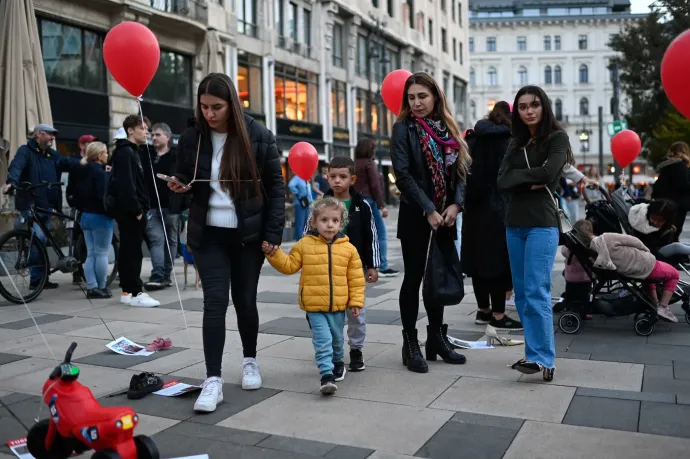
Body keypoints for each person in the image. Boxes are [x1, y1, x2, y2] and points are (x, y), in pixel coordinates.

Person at [167, 73, 285, 413]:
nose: (209, 114)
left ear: (231, 103)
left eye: (216, 107)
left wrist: (272, 235)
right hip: (209, 234)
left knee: (245, 301)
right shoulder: (192, 137)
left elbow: (276, 189)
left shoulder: (258, 136)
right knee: (214, 303)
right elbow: (182, 176)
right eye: (203, 107)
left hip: (247, 236)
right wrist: (178, 187)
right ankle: (212, 379)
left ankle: (250, 360)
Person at [391, 72, 471, 373]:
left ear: (435, 96)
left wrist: (455, 204)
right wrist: (428, 209)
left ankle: (436, 337)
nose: (417, 103)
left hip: (445, 215)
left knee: (437, 276)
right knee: (413, 278)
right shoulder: (403, 128)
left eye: (422, 96)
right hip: (416, 213)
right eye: (411, 98)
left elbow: (462, 170)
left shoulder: (449, 129)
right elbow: (403, 174)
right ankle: (410, 343)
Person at [497, 85, 572, 381]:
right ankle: (533, 354)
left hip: (542, 221)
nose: (529, 110)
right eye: (523, 106)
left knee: (537, 290)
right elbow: (502, 181)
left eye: (534, 105)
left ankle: (543, 358)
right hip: (514, 223)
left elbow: (548, 173)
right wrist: (528, 177)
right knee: (521, 295)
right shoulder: (515, 143)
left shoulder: (557, 138)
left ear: (544, 108)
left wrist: (523, 177)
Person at [265, 197, 365, 394]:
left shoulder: (349, 249)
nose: (330, 225)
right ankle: (326, 375)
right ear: (313, 222)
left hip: (338, 306)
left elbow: (356, 278)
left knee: (337, 339)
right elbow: (289, 265)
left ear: (341, 223)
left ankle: (338, 362)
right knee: (322, 340)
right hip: (313, 306)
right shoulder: (304, 245)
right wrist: (274, 254)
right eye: (324, 220)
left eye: (335, 221)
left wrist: (355, 302)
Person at [303, 156, 379, 372]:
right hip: (325, 270)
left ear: (352, 179)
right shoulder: (319, 205)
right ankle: (331, 350)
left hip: (353, 271)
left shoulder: (361, 205)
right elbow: (306, 234)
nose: (337, 181)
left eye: (342, 177)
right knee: (326, 312)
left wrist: (372, 264)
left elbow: (371, 235)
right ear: (327, 177)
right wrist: (304, 257)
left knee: (356, 314)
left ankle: (356, 349)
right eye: (332, 176)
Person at [462, 102, 522, 331]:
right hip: (500, 208)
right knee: (498, 263)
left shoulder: (473, 138)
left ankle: (483, 310)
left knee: (478, 262)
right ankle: (498, 315)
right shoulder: (509, 141)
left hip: (474, 208)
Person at [4, 124, 79, 289]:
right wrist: (11, 182)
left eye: (54, 135)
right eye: (50, 134)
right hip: (30, 204)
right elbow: (16, 167)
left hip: (47, 206)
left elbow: (67, 162)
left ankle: (42, 278)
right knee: (38, 238)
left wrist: (86, 161)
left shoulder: (51, 154)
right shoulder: (25, 151)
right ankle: (36, 280)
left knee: (41, 240)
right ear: (38, 135)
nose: (53, 138)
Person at [576, 219, 679, 323]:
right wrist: (647, 251)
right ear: (590, 230)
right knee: (674, 274)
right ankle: (663, 307)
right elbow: (633, 241)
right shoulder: (606, 238)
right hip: (644, 264)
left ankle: (655, 303)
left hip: (629, 272)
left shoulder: (591, 251)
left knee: (648, 280)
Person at [108, 115, 160, 308]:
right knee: (132, 252)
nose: (146, 132)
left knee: (129, 250)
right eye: (143, 128)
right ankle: (135, 291)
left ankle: (128, 291)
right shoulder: (125, 152)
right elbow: (126, 185)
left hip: (131, 210)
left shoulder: (131, 151)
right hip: (130, 211)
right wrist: (137, 210)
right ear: (131, 130)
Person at [141, 122, 186, 290]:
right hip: (151, 206)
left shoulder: (176, 156)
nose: (153, 137)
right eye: (152, 135)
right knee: (156, 240)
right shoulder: (146, 155)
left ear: (167, 137)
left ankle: (166, 273)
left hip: (172, 207)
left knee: (171, 240)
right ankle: (158, 274)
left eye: (157, 134)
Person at [70, 142, 113, 299]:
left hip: (85, 216)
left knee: (91, 254)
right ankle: (101, 287)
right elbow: (103, 197)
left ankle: (91, 287)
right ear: (99, 155)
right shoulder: (100, 173)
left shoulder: (81, 171)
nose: (107, 155)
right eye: (106, 152)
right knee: (102, 254)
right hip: (100, 216)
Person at [355, 139, 398, 278]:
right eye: (373, 148)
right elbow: (375, 186)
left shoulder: (354, 164)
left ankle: (364, 264)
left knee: (363, 233)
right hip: (370, 201)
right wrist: (382, 205)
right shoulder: (369, 163)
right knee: (380, 233)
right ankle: (383, 266)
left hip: (358, 201)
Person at [652, 142, 690, 241]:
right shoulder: (680, 165)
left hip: (665, 204)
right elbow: (684, 185)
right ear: (684, 151)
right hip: (677, 205)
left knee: (667, 232)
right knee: (674, 233)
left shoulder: (667, 165)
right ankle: (673, 254)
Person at [288, 173, 313, 240]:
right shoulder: (297, 177)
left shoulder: (306, 178)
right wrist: (298, 193)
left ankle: (304, 236)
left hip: (307, 203)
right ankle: (299, 237)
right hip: (300, 202)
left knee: (306, 220)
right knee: (300, 220)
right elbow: (291, 185)